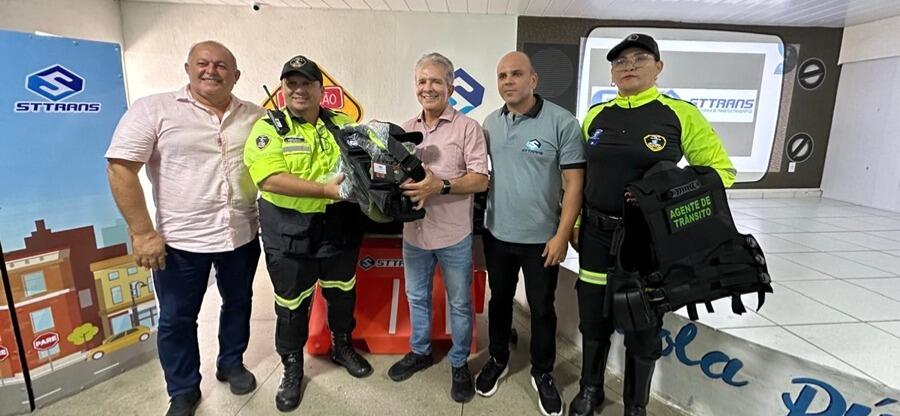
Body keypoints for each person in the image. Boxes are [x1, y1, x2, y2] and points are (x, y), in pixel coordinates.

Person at [570, 33, 736, 416]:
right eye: (620, 61)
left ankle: (636, 406)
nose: (628, 66)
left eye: (639, 58)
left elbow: (721, 172)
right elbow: (582, 176)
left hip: (646, 243)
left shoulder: (679, 114)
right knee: (593, 319)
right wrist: (576, 221)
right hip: (595, 236)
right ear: (612, 73)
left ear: (658, 67)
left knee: (643, 325)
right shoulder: (596, 116)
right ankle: (590, 390)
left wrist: (668, 194)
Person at [106, 41, 263, 416]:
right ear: (188, 68)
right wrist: (142, 233)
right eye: (203, 63)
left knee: (239, 303)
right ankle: (183, 389)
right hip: (180, 241)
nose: (211, 70)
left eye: (221, 65)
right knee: (177, 318)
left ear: (236, 75)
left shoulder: (255, 116)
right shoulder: (155, 109)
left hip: (241, 233)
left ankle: (231, 362)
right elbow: (121, 167)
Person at [243, 55, 372, 413]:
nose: (299, 90)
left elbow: (364, 163)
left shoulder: (342, 124)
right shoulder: (269, 128)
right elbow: (269, 179)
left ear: (321, 89)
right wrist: (325, 191)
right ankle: (292, 367)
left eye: (306, 83)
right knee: (291, 306)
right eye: (292, 84)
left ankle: (341, 346)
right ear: (283, 89)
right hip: (289, 232)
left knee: (342, 293)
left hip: (339, 228)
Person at [475, 51, 585, 416]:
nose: (508, 81)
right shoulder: (491, 123)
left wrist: (562, 235)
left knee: (541, 309)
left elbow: (575, 184)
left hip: (542, 240)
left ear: (533, 79)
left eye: (516, 74)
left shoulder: (562, 122)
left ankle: (543, 372)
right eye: (502, 75)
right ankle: (498, 358)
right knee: (499, 301)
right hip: (497, 234)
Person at [386, 52, 489, 404]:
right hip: (414, 235)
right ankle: (420, 351)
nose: (427, 88)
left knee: (459, 303)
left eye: (435, 81)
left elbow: (480, 180)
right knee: (416, 297)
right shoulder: (405, 129)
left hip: (453, 235)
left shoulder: (468, 128)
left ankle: (459, 363)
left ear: (451, 87)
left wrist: (439, 186)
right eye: (422, 81)